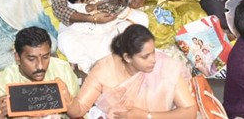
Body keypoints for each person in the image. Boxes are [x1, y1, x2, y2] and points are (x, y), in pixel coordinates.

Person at [67, 24, 197, 119]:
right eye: (145, 56)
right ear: (127, 57)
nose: (153, 60)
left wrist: (146, 116)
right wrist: (66, 99)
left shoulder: (165, 67)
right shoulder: (104, 69)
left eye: (153, 52)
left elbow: (190, 111)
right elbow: (79, 109)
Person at [0, 26, 79, 119]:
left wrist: (70, 104)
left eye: (45, 57)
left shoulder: (62, 70)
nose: (40, 66)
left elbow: (80, 114)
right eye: (31, 59)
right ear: (18, 58)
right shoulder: (4, 82)